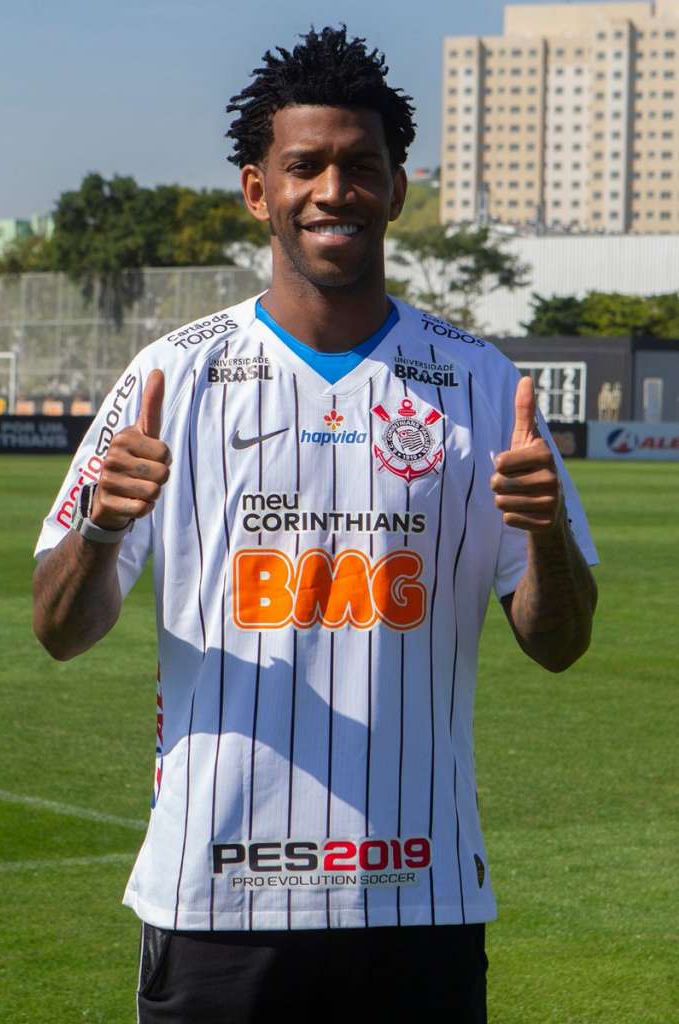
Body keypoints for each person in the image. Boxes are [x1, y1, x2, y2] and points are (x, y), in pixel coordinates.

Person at [32, 25, 598, 1024]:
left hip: (418, 896)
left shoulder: (478, 382)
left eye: (359, 165)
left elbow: (556, 644)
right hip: (214, 899)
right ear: (259, 189)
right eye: (304, 166)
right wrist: (106, 531)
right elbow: (59, 628)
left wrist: (545, 533)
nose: (332, 189)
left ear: (396, 186)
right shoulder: (174, 376)